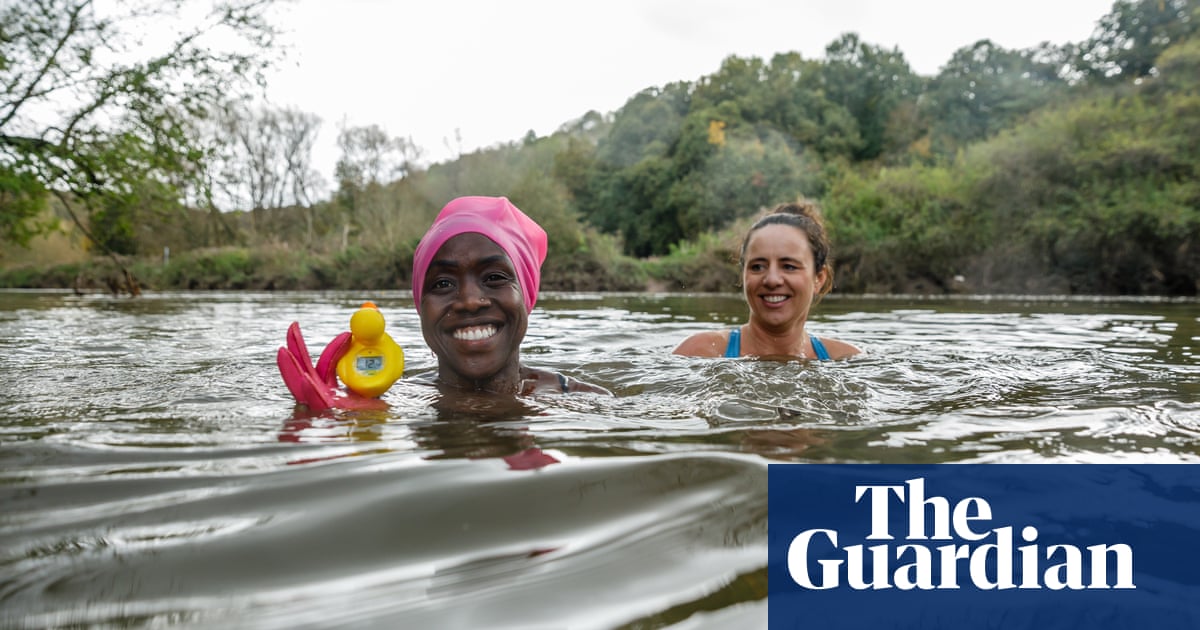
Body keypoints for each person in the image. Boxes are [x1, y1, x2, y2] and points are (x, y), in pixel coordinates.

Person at [412, 195, 610, 395]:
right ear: (420, 306)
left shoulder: (584, 402)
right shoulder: (390, 401)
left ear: (526, 295)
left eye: (494, 277)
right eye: (443, 283)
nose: (470, 301)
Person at [672, 200, 860, 360]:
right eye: (757, 267)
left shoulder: (846, 360)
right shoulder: (701, 352)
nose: (772, 280)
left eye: (789, 266)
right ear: (743, 274)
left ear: (819, 278)